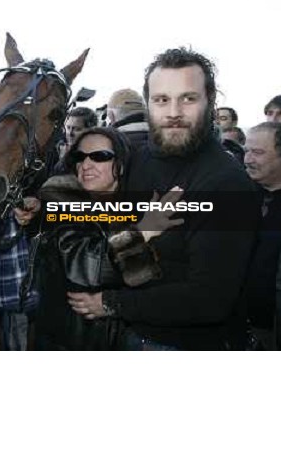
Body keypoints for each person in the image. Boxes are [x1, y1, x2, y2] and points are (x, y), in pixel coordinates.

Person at [72, 47, 260, 350]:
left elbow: (209, 300)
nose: (174, 112)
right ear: (148, 104)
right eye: (162, 100)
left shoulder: (227, 184)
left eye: (188, 98)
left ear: (210, 102)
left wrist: (110, 303)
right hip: (127, 335)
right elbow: (106, 225)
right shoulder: (136, 159)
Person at [35, 127, 181, 350]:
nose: (86, 165)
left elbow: (139, 276)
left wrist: (108, 302)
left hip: (121, 336)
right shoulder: (61, 195)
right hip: (68, 337)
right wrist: (142, 232)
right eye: (79, 157)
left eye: (100, 157)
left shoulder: (133, 202)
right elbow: (85, 265)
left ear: (121, 164)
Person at [243, 122, 281, 349]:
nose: (247, 159)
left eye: (257, 152)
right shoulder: (237, 193)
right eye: (246, 150)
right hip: (237, 319)